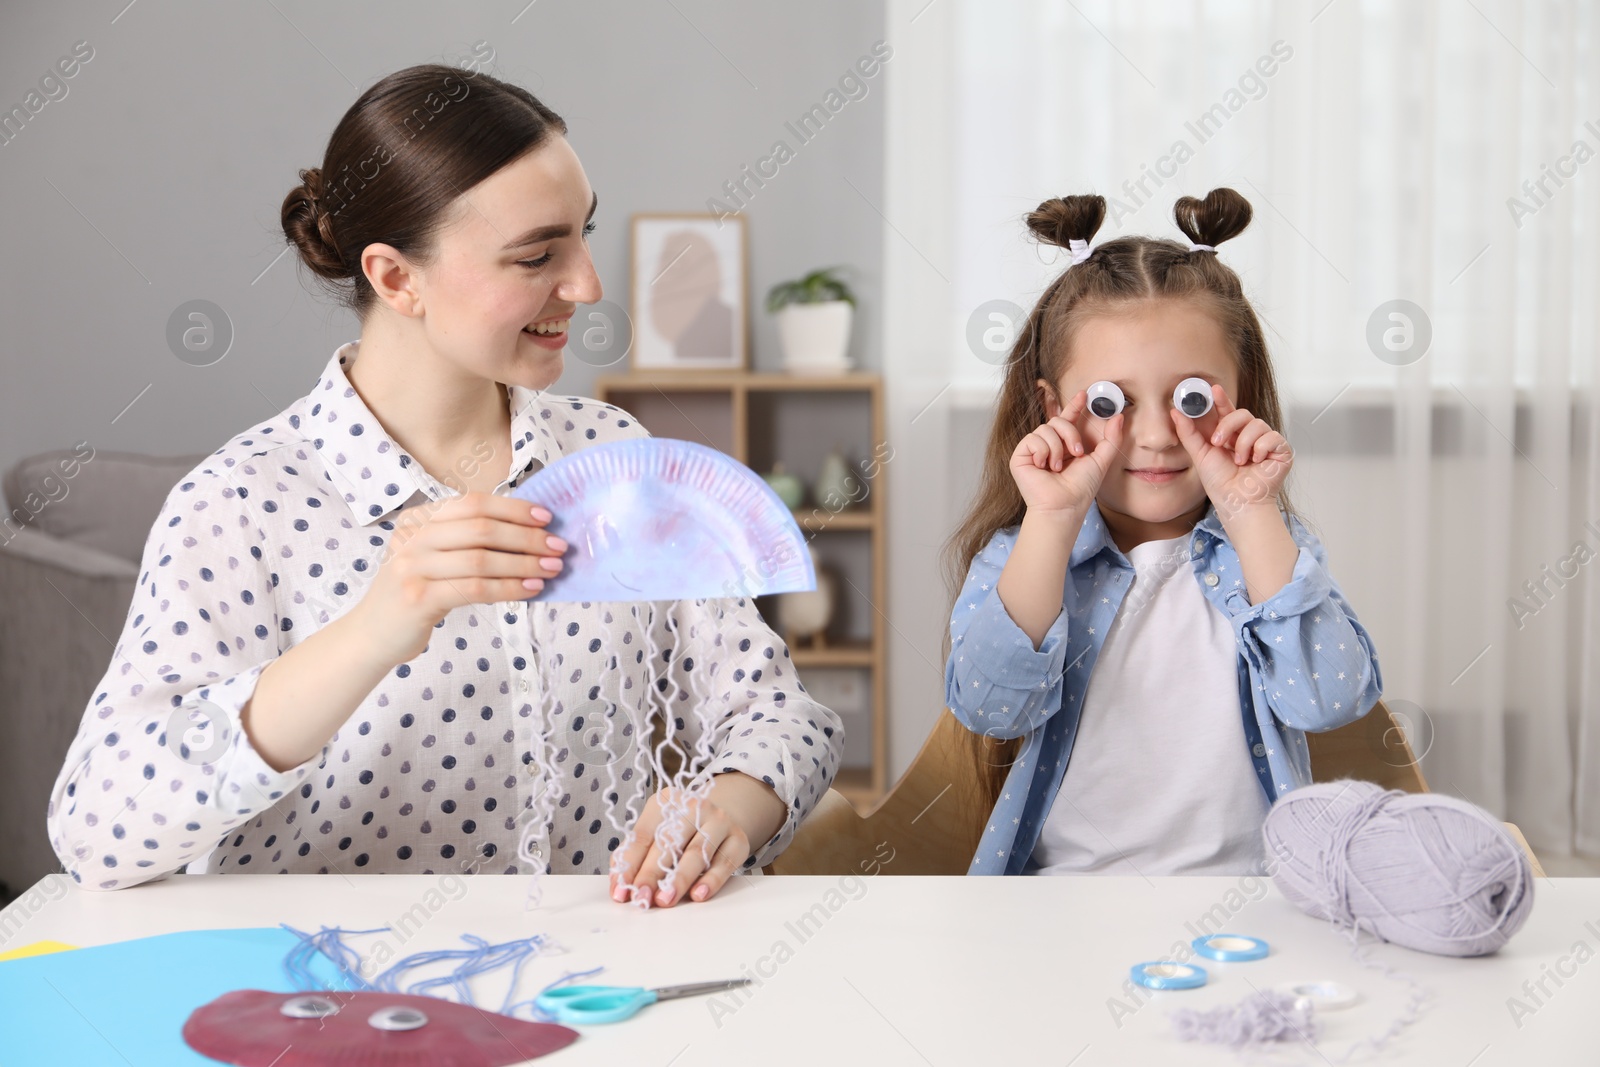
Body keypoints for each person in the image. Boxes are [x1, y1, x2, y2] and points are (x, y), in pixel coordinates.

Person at [46, 63, 842, 906]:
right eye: (537, 254)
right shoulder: (240, 504)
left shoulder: (614, 452)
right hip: (330, 1010)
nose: (587, 285)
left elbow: (785, 715)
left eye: (583, 235)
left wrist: (729, 810)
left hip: (594, 990)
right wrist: (372, 630)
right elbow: (96, 828)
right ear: (395, 278)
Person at [943, 188, 1382, 877]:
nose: (1153, 436)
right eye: (1110, 402)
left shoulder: (1264, 547)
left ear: (1241, 395)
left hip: (1255, 900)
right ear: (1053, 408)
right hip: (1065, 902)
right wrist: (1052, 523)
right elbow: (991, 706)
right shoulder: (1024, 555)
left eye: (1192, 399)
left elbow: (1330, 699)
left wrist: (1249, 512)